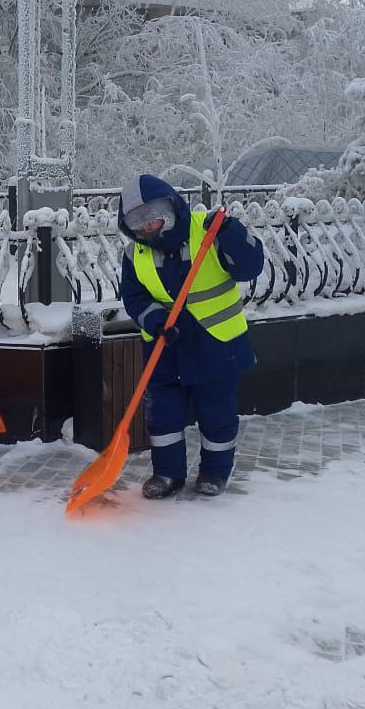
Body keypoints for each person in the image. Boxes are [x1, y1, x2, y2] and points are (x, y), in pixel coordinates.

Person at [117, 174, 265, 499]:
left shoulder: (208, 231)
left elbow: (250, 267)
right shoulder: (134, 254)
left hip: (216, 342)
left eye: (153, 215)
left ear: (170, 206)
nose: (148, 225)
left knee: (216, 413)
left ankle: (215, 472)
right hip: (165, 346)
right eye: (138, 221)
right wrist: (155, 320)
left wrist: (231, 233)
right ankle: (167, 474)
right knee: (163, 415)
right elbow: (134, 297)